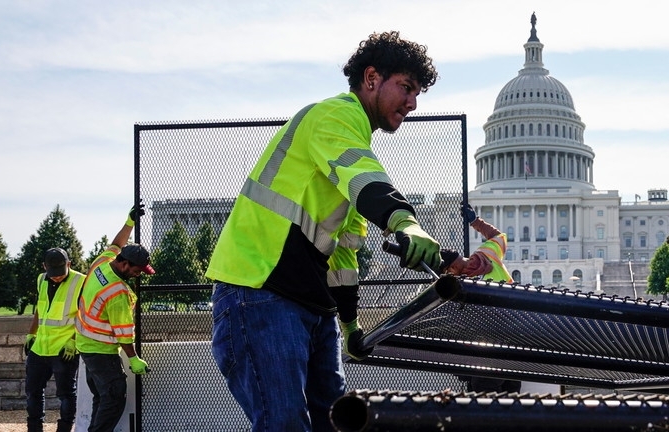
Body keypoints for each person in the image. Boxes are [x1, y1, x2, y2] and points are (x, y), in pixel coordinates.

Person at [205, 30, 442, 431]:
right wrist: (405, 221)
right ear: (371, 79)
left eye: (417, 93)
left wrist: (349, 323)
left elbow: (344, 254)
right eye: (406, 87)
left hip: (308, 304)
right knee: (286, 424)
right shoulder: (334, 116)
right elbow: (364, 174)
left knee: (335, 422)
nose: (412, 103)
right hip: (260, 289)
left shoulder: (347, 143)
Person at [75, 204, 154, 432]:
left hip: (86, 345)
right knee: (114, 398)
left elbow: (117, 244)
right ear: (124, 263)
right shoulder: (117, 292)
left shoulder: (102, 262)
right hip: (101, 351)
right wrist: (134, 359)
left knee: (102, 398)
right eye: (137, 271)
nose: (138, 275)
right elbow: (123, 334)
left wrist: (130, 222)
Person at [443, 203, 520, 394]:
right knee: (511, 391)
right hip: (514, 333)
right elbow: (499, 236)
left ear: (451, 268)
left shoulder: (460, 283)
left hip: (489, 343)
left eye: (447, 271)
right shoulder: (488, 253)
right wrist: (476, 222)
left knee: (483, 390)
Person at [24, 247, 85, 432]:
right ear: (45, 267)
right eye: (53, 273)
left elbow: (86, 315)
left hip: (64, 348)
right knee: (33, 391)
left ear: (69, 264)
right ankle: (35, 428)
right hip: (40, 347)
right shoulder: (41, 279)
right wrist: (31, 333)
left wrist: (74, 341)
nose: (56, 277)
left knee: (66, 394)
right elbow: (40, 309)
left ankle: (64, 429)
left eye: (60, 272)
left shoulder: (81, 281)